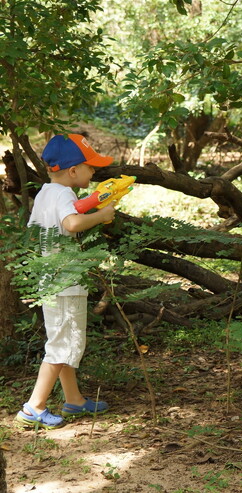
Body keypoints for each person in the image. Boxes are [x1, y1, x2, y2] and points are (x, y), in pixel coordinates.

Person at [15, 134, 116, 429]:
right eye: (90, 167)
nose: (94, 172)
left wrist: (90, 204)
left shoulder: (47, 192)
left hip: (50, 279)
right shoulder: (63, 196)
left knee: (62, 341)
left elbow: (44, 228)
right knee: (62, 345)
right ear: (73, 171)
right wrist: (102, 215)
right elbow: (71, 223)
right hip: (65, 282)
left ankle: (74, 399)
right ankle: (34, 406)